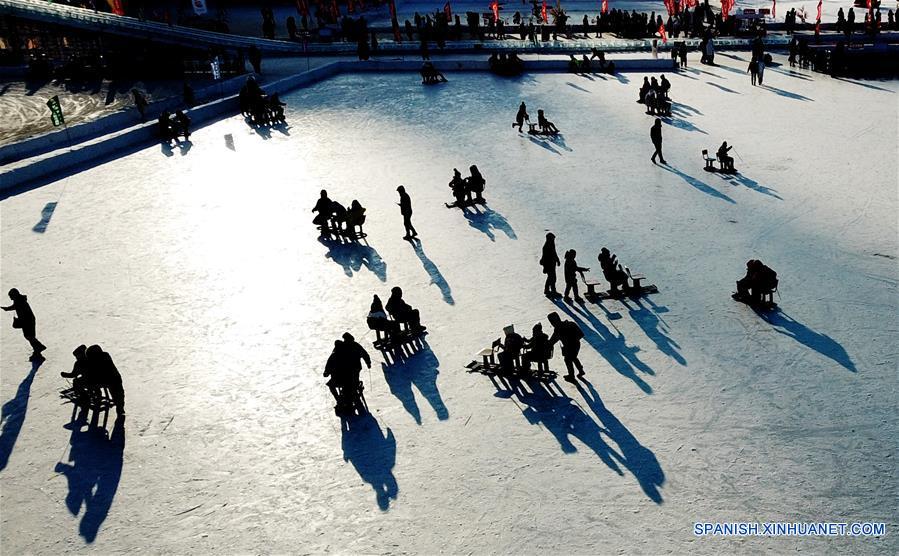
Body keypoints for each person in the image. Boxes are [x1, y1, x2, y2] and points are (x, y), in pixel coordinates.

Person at [2, 289, 46, 360]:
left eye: (11, 296)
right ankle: (38, 349)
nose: (10, 298)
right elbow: (15, 306)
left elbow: (22, 313)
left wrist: (18, 321)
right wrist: (7, 309)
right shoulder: (18, 300)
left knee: (29, 336)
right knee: (29, 336)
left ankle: (38, 349)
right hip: (28, 321)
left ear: (14, 295)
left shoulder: (19, 302)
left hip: (27, 322)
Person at [86, 345, 125, 414]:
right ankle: (120, 407)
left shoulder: (94, 361)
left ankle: (98, 397)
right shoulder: (106, 355)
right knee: (119, 394)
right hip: (115, 378)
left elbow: (93, 374)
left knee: (92, 384)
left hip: (107, 380)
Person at [547, 312, 585, 382]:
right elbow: (581, 334)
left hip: (569, 347)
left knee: (568, 360)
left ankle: (571, 376)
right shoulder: (571, 323)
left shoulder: (558, 329)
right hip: (577, 345)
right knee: (573, 358)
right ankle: (581, 370)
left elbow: (553, 340)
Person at [540, 232, 561, 297]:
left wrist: (557, 260)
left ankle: (549, 290)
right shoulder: (546, 247)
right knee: (552, 278)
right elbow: (545, 257)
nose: (553, 240)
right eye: (552, 239)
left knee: (551, 278)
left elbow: (554, 253)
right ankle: (551, 291)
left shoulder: (551, 245)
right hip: (549, 265)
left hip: (552, 264)